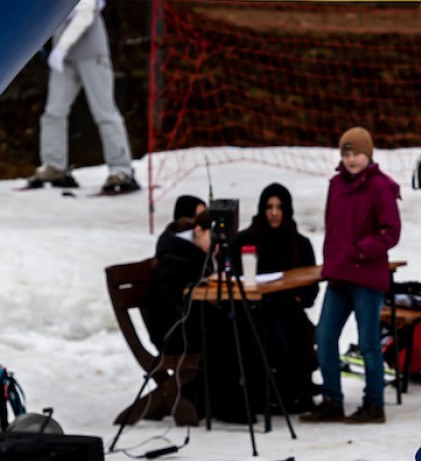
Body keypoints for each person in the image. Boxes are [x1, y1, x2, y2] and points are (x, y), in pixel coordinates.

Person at [303, 127, 403, 425]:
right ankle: (332, 399)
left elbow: (390, 232)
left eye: (356, 153)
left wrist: (361, 251)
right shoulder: (335, 184)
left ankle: (374, 403)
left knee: (368, 341)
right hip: (338, 276)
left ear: (368, 154)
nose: (351, 159)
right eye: (346, 154)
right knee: (325, 335)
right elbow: (333, 229)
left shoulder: (380, 186)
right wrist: (332, 261)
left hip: (367, 276)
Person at [27, 0, 140, 196]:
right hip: (65, 61)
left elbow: (85, 14)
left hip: (91, 55)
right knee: (54, 112)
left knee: (105, 113)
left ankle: (121, 169)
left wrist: (61, 49)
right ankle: (54, 166)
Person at [232, 183, 319, 408]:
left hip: (290, 310)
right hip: (254, 312)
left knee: (293, 326)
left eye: (279, 207)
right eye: (269, 207)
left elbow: (311, 285)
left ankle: (295, 387)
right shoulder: (245, 241)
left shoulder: (299, 243)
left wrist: (298, 297)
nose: (274, 212)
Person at [143, 205, 213, 354]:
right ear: (199, 231)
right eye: (213, 237)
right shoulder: (173, 258)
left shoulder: (197, 252)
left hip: (194, 328)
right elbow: (174, 306)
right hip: (174, 335)